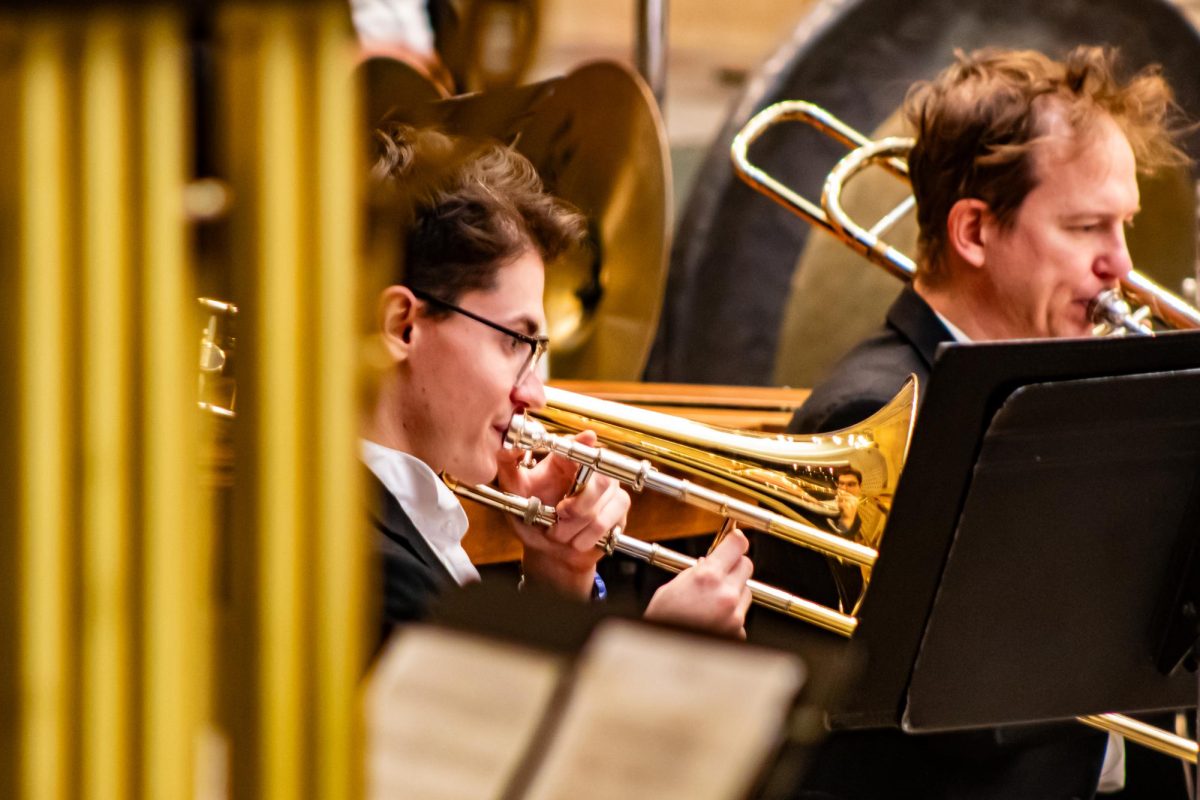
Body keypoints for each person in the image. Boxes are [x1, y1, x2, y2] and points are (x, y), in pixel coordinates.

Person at [755, 46, 1190, 799]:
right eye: (1087, 226)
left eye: (1123, 225)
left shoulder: (1066, 390)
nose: (1121, 265)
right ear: (975, 233)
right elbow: (957, 722)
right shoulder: (872, 417)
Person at [361, 123, 754, 648]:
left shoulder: (398, 516)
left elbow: (496, 690)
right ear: (402, 326)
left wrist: (556, 576)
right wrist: (656, 653)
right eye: (513, 341)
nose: (535, 396)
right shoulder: (372, 569)